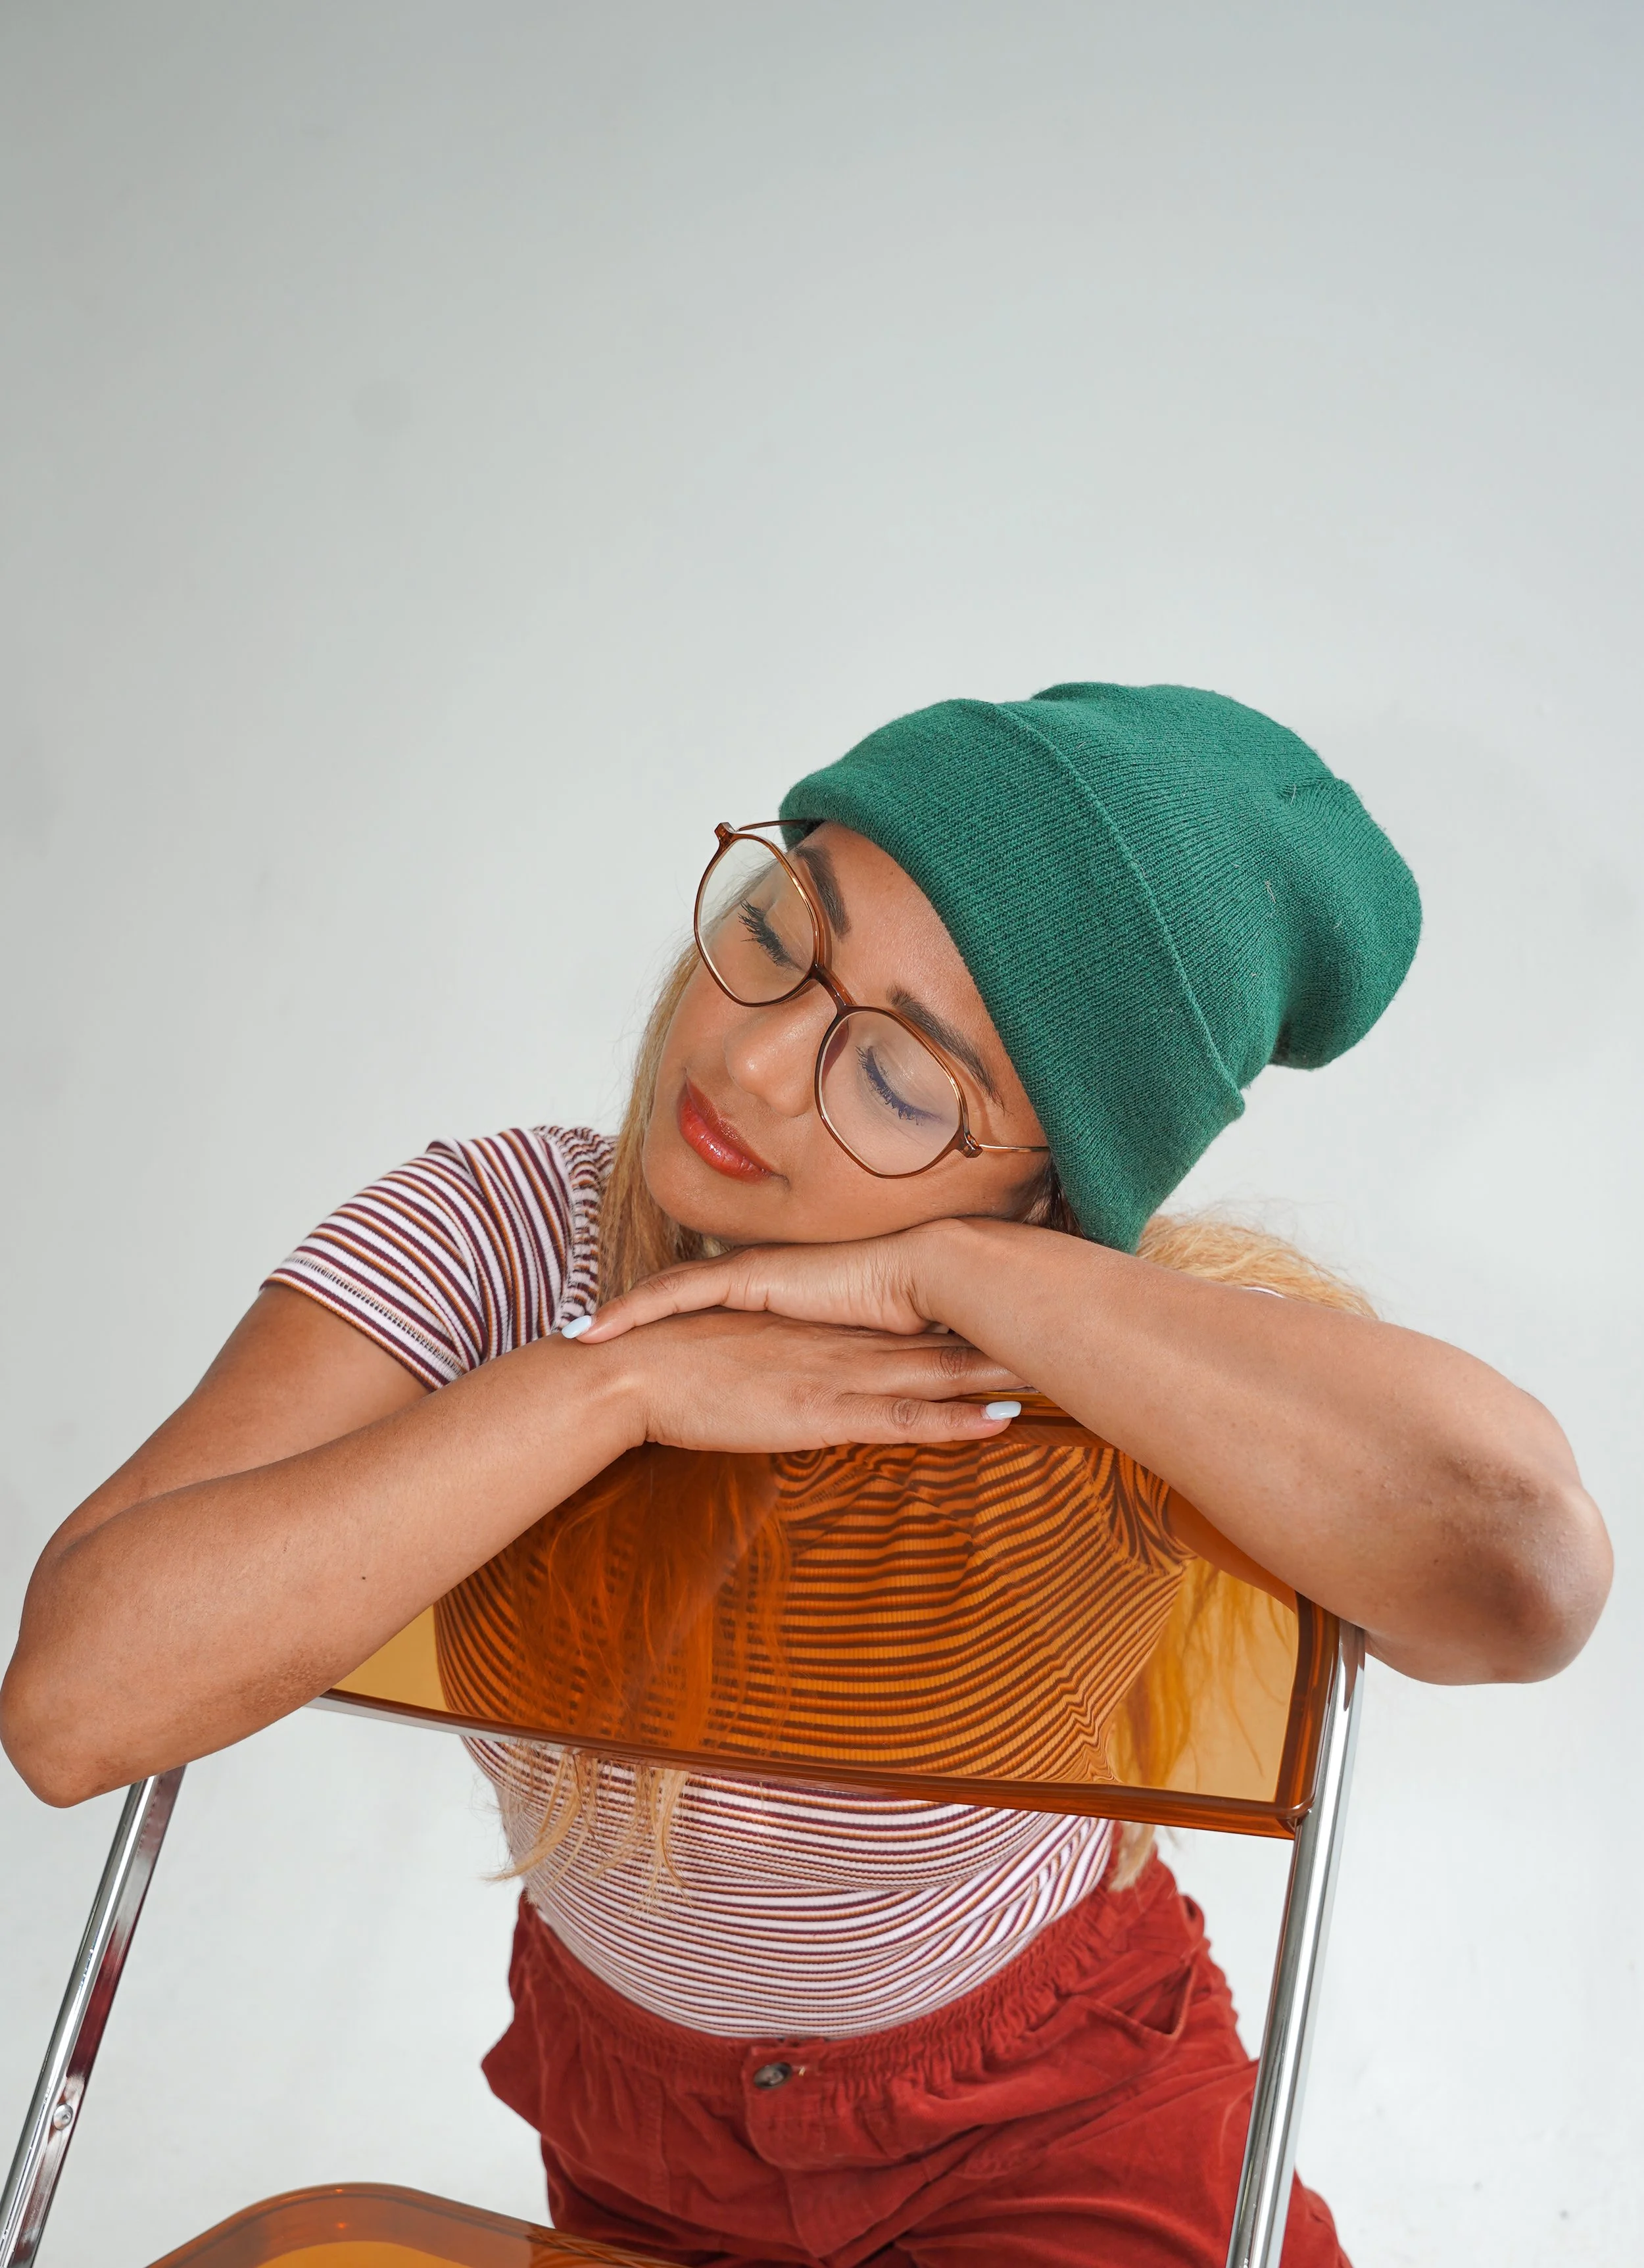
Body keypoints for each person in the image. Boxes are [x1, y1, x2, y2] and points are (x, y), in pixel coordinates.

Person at [2, 684, 1612, 2267]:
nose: (755, 1063)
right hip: (638, 2134)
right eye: (777, 934)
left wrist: (961, 1278)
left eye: (899, 1081)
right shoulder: (498, 1246)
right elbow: (73, 1707)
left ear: (1050, 1190)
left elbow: (1528, 1570)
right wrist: (613, 1384)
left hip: (1061, 2120)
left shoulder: (1119, 1366)